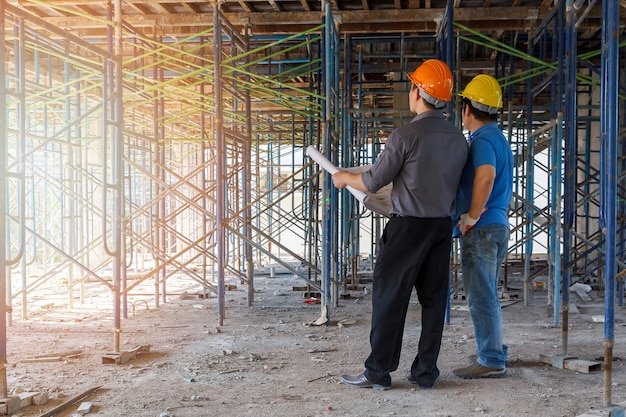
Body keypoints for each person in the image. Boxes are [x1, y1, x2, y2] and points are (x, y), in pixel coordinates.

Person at [332, 59, 468, 390]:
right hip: (440, 229)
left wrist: (343, 177)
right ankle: (425, 373)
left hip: (407, 228)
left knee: (390, 298)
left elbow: (375, 181)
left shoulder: (405, 136)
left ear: (418, 92)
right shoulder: (458, 139)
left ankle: (378, 372)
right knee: (434, 302)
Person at [452, 74, 513, 379]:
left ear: (467, 109)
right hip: (498, 225)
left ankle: (490, 359)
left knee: (480, 295)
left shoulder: (483, 139)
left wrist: (471, 215)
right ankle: (494, 351)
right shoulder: (498, 137)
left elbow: (485, 176)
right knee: (486, 292)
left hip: (484, 227)